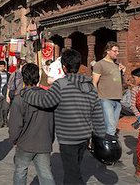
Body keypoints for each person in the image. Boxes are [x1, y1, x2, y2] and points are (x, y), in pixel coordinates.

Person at [21, 49, 106, 184]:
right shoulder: (90, 86)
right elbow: (97, 114)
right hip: (84, 136)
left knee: (72, 173)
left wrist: (26, 92)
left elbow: (44, 101)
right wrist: (100, 135)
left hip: (68, 138)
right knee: (73, 168)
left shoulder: (61, 85)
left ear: (64, 67)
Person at [9, 63, 55, 185]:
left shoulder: (20, 99)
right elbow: (53, 121)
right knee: (46, 174)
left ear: (23, 78)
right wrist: (51, 138)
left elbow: (15, 124)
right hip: (44, 142)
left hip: (25, 143)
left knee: (20, 171)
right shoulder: (48, 97)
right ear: (38, 78)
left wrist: (14, 139)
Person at [92, 41, 125, 138]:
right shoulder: (99, 64)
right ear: (107, 51)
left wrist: (122, 73)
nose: (117, 53)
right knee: (110, 127)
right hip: (105, 98)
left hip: (118, 98)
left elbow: (119, 82)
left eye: (118, 51)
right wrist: (96, 97)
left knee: (112, 126)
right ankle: (110, 147)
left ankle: (104, 143)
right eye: (115, 51)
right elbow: (94, 82)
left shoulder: (117, 65)